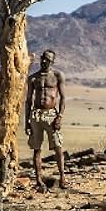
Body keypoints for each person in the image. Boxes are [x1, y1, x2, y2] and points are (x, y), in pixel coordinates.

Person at [25, 49, 66, 191]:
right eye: (43, 58)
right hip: (36, 115)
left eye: (48, 60)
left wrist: (59, 116)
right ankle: (39, 180)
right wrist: (27, 122)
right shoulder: (33, 78)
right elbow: (28, 100)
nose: (44, 61)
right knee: (37, 148)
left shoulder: (57, 75)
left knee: (58, 146)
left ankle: (62, 177)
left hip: (51, 115)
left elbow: (63, 98)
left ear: (52, 61)